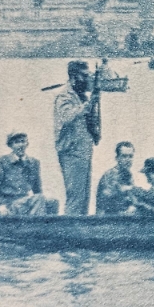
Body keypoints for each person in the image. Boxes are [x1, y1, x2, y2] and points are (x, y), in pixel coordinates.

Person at [53, 60, 98, 216]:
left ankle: (81, 229)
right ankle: (69, 228)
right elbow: (66, 117)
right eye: (84, 76)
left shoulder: (81, 96)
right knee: (75, 197)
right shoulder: (64, 96)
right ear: (74, 76)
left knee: (84, 197)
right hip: (71, 152)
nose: (87, 79)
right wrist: (84, 108)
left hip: (83, 152)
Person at [0, 132, 58, 215]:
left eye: (23, 141)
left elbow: (37, 190)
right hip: (9, 204)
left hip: (25, 203)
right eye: (17, 142)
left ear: (27, 144)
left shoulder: (33, 163)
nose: (21, 145)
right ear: (11, 145)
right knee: (39, 199)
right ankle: (37, 225)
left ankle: (47, 226)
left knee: (52, 202)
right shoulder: (2, 162)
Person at [95, 141, 140, 215]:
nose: (128, 160)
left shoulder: (128, 175)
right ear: (117, 158)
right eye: (124, 156)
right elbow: (106, 203)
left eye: (130, 156)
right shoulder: (110, 175)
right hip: (109, 218)